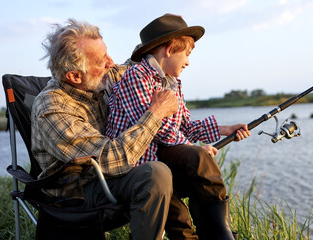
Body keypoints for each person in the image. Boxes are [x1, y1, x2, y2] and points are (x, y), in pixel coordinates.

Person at [31, 19, 179, 240]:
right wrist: (155, 114)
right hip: (77, 193)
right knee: (155, 173)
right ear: (74, 76)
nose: (111, 63)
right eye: (102, 61)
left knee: (188, 157)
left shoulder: (99, 78)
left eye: (107, 54)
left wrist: (164, 47)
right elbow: (112, 160)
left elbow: (134, 68)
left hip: (112, 178)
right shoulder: (52, 109)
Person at [106, 14, 251, 240]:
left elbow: (183, 126)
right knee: (181, 216)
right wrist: (192, 147)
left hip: (161, 162)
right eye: (187, 54)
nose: (188, 62)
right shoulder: (136, 77)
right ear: (170, 48)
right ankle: (221, 235)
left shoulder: (173, 84)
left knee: (194, 174)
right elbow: (158, 127)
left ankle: (218, 232)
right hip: (136, 168)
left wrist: (224, 129)